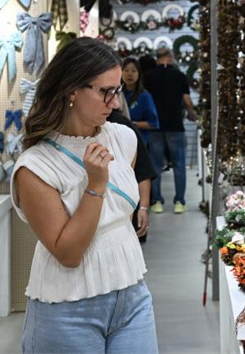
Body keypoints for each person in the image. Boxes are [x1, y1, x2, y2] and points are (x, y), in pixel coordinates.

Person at [12, 38, 157, 353]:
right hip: (67, 309)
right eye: (106, 92)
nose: (115, 103)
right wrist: (95, 185)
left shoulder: (124, 139)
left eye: (116, 91)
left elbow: (120, 214)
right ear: (71, 91)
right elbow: (69, 252)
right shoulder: (35, 166)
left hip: (132, 295)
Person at [146, 47, 196, 214]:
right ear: (169, 57)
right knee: (179, 164)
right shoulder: (179, 76)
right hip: (175, 125)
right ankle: (179, 202)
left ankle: (157, 202)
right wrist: (191, 113)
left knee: (156, 165)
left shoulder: (149, 77)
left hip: (155, 126)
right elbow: (187, 100)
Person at [108, 109, 158, 244]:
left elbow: (142, 170)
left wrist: (143, 208)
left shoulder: (122, 127)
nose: (115, 102)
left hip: (125, 218)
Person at [121, 58, 160, 144]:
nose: (129, 74)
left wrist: (133, 124)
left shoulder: (144, 96)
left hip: (139, 141)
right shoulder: (116, 94)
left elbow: (153, 123)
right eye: (126, 70)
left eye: (133, 71)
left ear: (139, 74)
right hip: (119, 140)